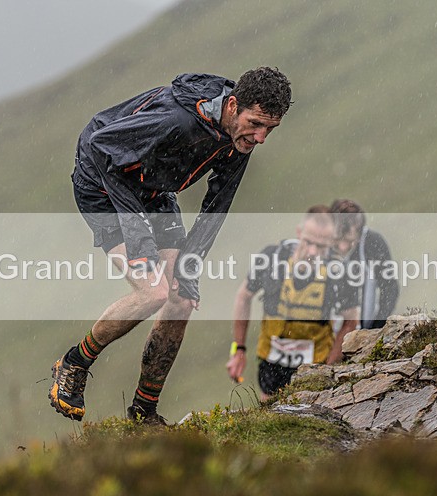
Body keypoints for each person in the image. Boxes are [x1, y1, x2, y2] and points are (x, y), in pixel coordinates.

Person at [49, 67, 292, 424]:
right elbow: (102, 149)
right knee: (154, 292)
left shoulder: (239, 135)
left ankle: (144, 412)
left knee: (181, 295)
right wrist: (139, 238)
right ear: (233, 105)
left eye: (270, 128)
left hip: (152, 189)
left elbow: (216, 207)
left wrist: (190, 265)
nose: (261, 137)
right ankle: (74, 362)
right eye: (256, 124)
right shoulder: (175, 120)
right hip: (102, 185)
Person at [227, 206, 360, 399]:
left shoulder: (342, 272)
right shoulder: (271, 258)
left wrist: (328, 369)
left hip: (315, 365)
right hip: (271, 361)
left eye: (321, 246)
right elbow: (243, 296)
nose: (313, 251)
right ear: (299, 233)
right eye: (308, 242)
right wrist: (238, 349)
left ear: (331, 243)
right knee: (270, 417)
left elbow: (351, 322)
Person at [329, 199, 398, 329]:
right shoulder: (317, 243)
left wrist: (374, 330)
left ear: (360, 234)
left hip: (360, 333)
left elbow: (390, 289)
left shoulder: (372, 244)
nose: (343, 247)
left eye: (349, 241)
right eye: (338, 239)